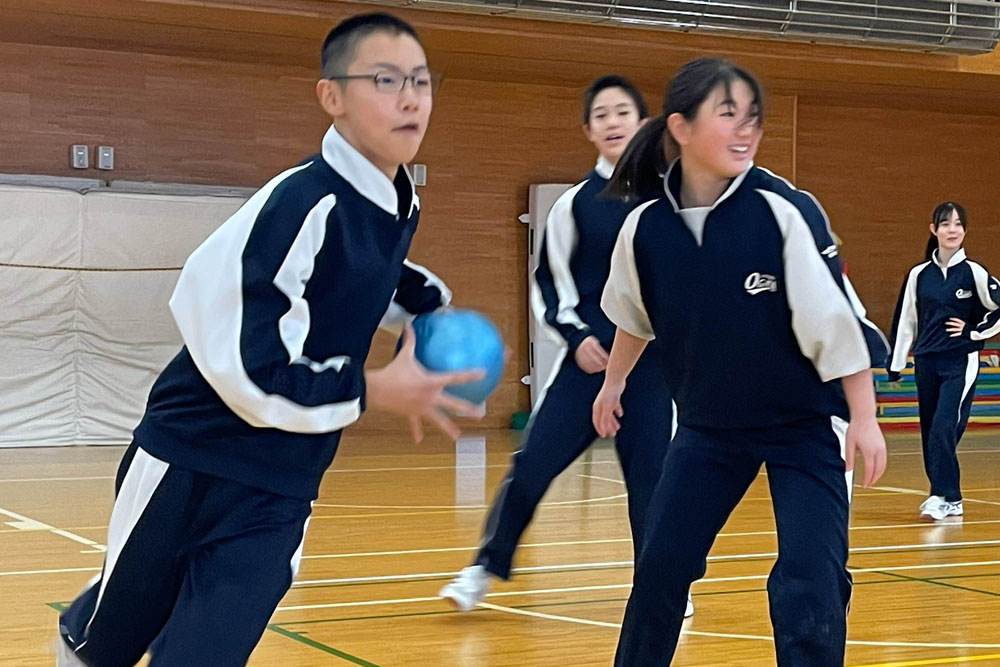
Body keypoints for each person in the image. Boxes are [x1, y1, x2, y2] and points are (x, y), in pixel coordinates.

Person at [56, 13, 482, 666]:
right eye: (386, 79)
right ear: (332, 96)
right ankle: (90, 615)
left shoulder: (397, 202)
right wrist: (373, 387)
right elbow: (254, 374)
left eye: (423, 81)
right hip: (189, 459)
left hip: (281, 487)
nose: (411, 98)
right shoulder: (297, 204)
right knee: (106, 644)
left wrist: (429, 311)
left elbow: (371, 274)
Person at [592, 57, 889, 666]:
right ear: (679, 126)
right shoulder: (646, 229)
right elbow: (633, 315)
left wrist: (863, 415)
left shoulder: (785, 213)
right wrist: (613, 383)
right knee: (661, 568)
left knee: (810, 581)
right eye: (727, 114)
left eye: (753, 117)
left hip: (806, 427)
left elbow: (838, 324)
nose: (745, 129)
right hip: (708, 428)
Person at [439, 74, 689, 616]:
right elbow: (549, 285)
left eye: (622, 112)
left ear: (643, 123)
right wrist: (575, 339)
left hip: (653, 370)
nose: (613, 122)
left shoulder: (672, 200)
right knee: (531, 467)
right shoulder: (574, 205)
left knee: (652, 482)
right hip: (588, 365)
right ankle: (484, 566)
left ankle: (662, 586)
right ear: (588, 130)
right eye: (601, 115)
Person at [888, 201, 1000, 521]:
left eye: (958, 224)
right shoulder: (919, 275)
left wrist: (975, 332)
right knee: (930, 431)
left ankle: (946, 496)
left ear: (965, 231)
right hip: (926, 362)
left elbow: (997, 306)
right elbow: (906, 320)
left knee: (942, 428)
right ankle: (945, 496)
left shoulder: (973, 272)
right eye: (946, 224)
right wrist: (896, 362)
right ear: (933, 230)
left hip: (960, 362)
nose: (953, 230)